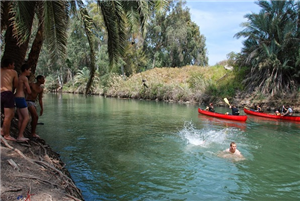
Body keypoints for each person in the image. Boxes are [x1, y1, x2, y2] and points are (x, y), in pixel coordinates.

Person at [0, 59, 18, 141]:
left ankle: (2, 131)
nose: (14, 66)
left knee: (9, 115)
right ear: (9, 65)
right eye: (13, 64)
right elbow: (16, 84)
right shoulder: (13, 72)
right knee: (9, 116)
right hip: (7, 94)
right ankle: (6, 135)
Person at [14, 64, 32, 142]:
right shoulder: (24, 78)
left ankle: (20, 134)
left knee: (21, 118)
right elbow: (29, 91)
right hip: (21, 98)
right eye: (29, 70)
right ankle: (20, 136)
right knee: (26, 117)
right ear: (25, 70)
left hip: (16, 97)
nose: (30, 72)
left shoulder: (18, 77)